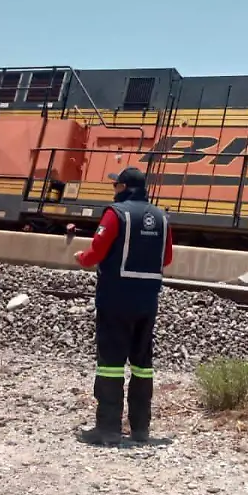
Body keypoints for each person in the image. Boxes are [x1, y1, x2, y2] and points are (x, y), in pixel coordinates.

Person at [72, 166, 174, 445]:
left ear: (124, 188)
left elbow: (97, 252)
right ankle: (140, 428)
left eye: (115, 185)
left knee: (111, 363)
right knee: (142, 364)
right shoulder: (162, 218)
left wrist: (81, 257)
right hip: (147, 301)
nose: (113, 190)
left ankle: (108, 428)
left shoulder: (115, 214)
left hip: (116, 298)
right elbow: (166, 259)